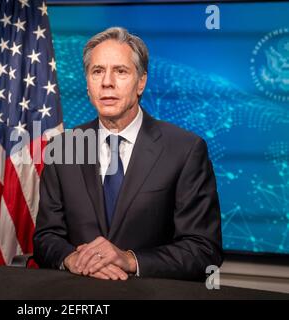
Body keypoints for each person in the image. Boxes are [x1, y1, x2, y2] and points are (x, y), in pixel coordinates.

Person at [33, 27, 223, 281]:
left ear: (141, 82)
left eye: (120, 71)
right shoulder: (63, 147)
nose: (107, 82)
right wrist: (72, 259)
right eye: (97, 71)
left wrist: (129, 259)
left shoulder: (185, 150)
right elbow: (46, 237)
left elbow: (204, 250)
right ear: (88, 83)